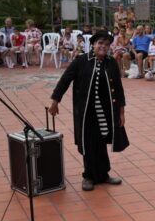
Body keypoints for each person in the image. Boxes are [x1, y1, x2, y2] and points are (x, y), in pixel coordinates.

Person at [49, 32, 128, 191]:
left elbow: (118, 88)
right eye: (100, 43)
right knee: (88, 143)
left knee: (101, 142)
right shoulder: (81, 61)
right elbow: (65, 80)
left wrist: (121, 112)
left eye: (106, 44)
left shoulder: (111, 62)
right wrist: (55, 101)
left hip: (105, 111)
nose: (103, 46)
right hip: (86, 112)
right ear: (93, 44)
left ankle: (104, 175)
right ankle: (89, 176)